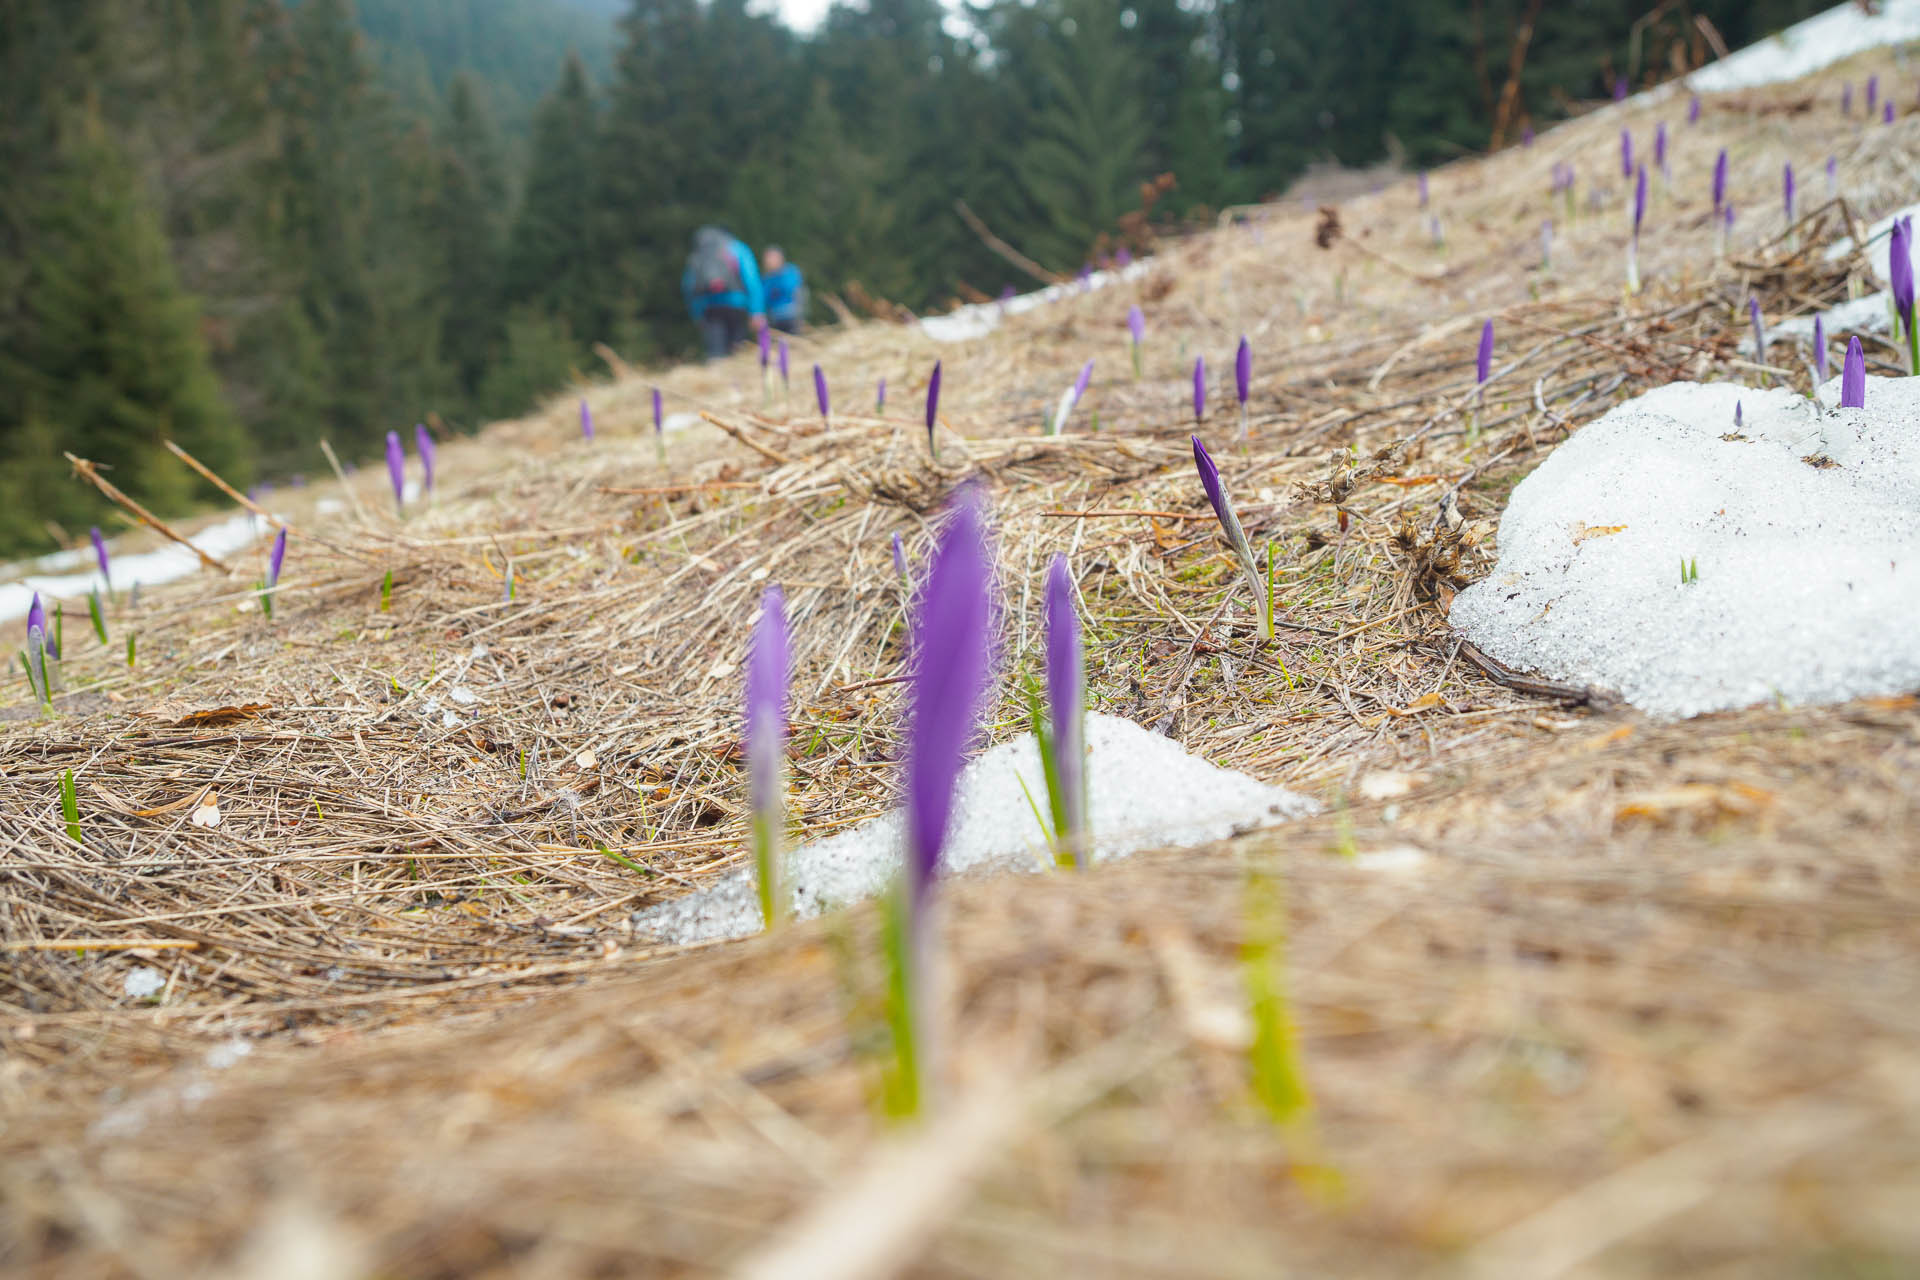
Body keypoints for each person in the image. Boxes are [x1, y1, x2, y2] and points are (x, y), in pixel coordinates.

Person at [681, 226, 765, 360]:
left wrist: (697, 314)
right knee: (738, 351)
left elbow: (689, 286)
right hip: (736, 304)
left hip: (710, 307)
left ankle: (717, 378)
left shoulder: (701, 251)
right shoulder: (737, 248)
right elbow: (751, 280)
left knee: (715, 353)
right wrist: (756, 311)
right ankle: (737, 379)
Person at [761, 246, 807, 334]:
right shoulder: (767, 278)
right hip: (774, 318)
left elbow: (795, 292)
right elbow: (764, 298)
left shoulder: (791, 272)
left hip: (792, 316)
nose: (769, 261)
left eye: (771, 258)